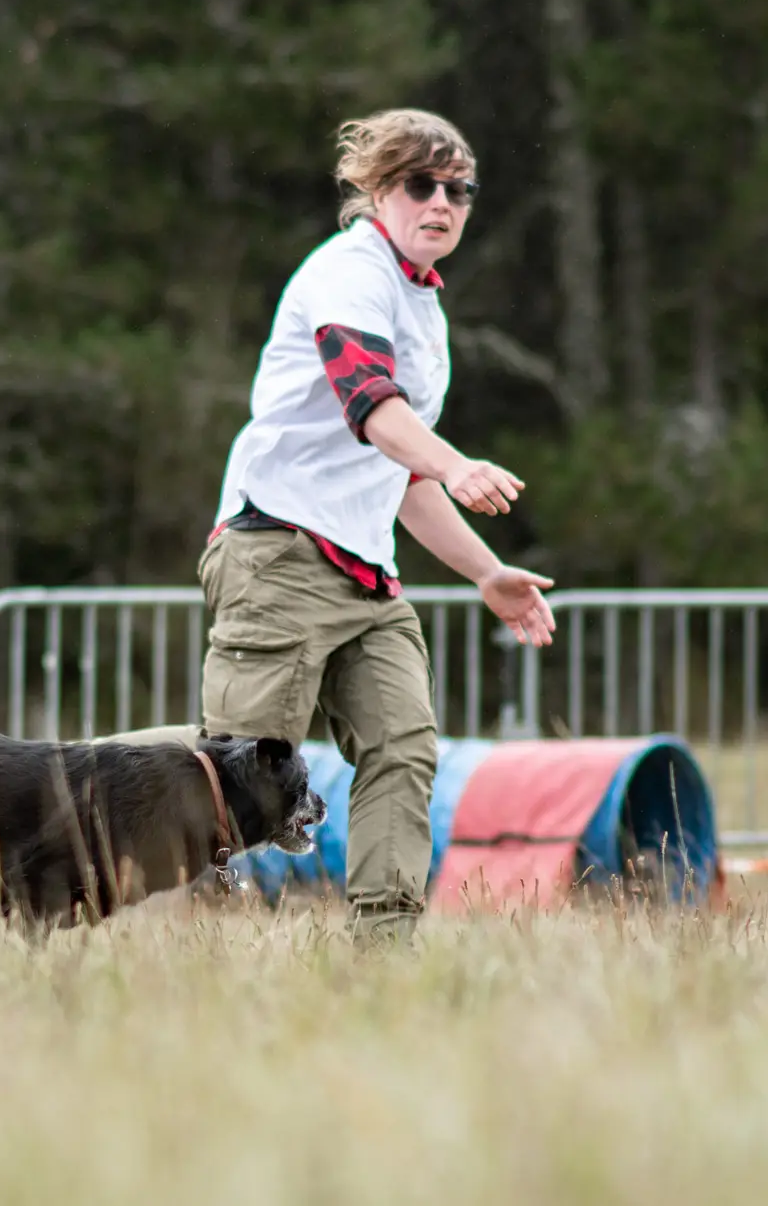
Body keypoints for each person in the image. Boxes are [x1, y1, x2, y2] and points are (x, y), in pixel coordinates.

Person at [197, 108, 557, 946]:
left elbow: (394, 471)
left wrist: (485, 573)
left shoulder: (422, 307)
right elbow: (372, 408)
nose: (443, 202)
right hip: (276, 549)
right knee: (243, 773)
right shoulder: (349, 274)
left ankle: (384, 945)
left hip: (363, 571)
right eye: (421, 185)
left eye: (459, 189)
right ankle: (97, 814)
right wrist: (455, 463)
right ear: (375, 190)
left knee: (404, 746)